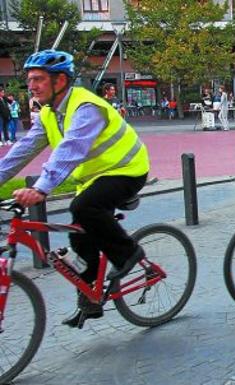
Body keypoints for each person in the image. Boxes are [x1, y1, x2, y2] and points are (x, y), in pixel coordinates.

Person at [0, 49, 150, 327]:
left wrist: (42, 188)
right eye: (29, 80)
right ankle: (91, 297)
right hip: (94, 178)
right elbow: (21, 151)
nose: (31, 86)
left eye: (38, 79)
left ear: (60, 81)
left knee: (83, 207)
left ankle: (128, 253)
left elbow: (70, 150)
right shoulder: (49, 114)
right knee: (79, 237)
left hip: (127, 170)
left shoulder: (85, 107)